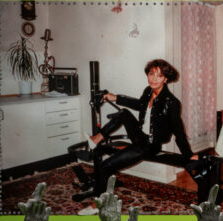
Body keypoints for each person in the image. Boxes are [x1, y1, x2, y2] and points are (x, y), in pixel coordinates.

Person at [70, 58, 206, 203]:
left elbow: (179, 132)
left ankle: (100, 205)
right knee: (123, 113)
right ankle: (94, 140)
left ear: (165, 79)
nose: (153, 79)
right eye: (151, 74)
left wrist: (189, 155)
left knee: (104, 167)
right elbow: (139, 104)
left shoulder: (171, 102)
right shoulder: (148, 91)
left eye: (159, 76)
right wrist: (114, 97)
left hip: (149, 145)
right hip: (139, 137)